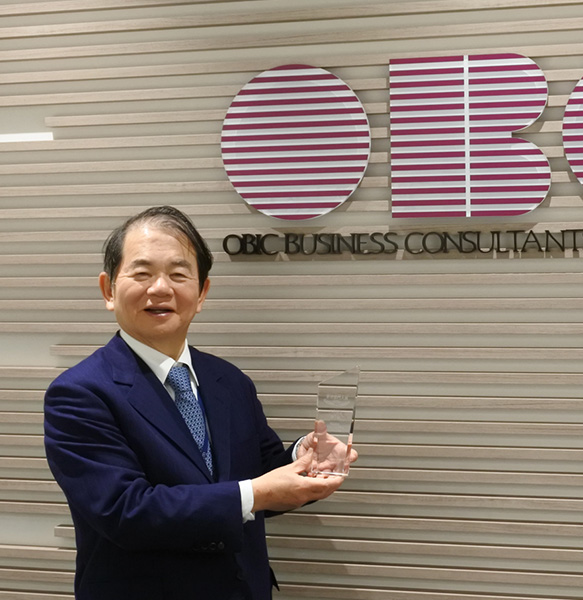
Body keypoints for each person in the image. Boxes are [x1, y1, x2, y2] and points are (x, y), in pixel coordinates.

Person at [44, 205, 355, 600]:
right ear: (108, 290)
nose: (161, 288)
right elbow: (126, 511)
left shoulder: (229, 380)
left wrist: (303, 459)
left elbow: (260, 473)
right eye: (142, 273)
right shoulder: (79, 393)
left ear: (202, 292)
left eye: (178, 274)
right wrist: (257, 493)